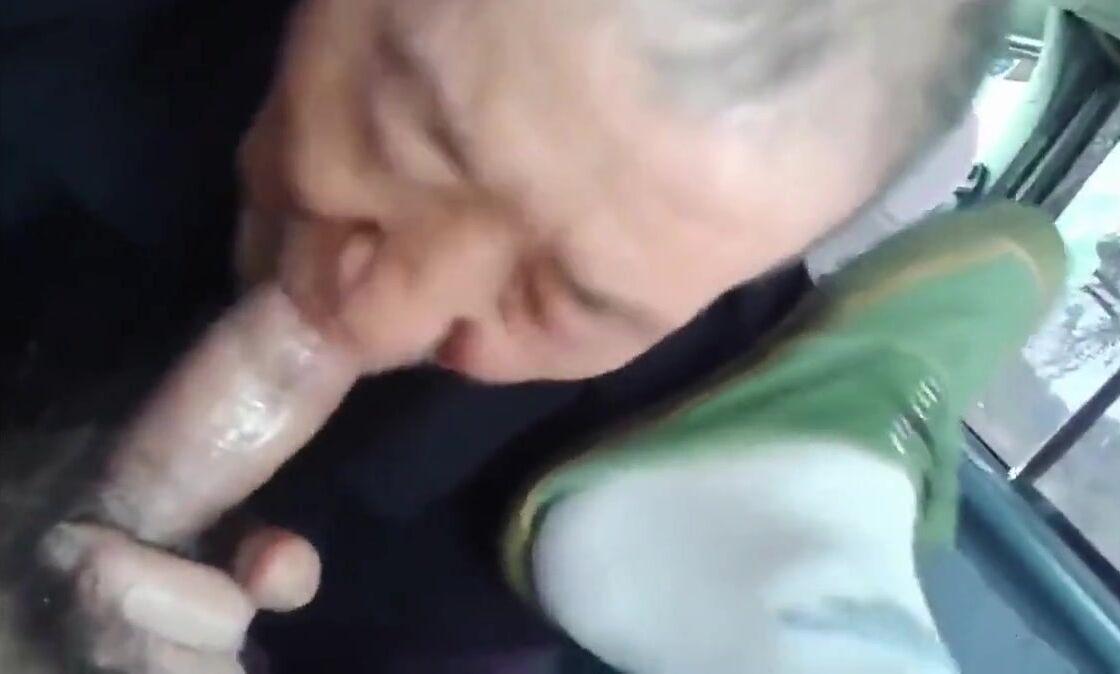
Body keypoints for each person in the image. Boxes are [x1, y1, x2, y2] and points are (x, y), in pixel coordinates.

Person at [0, 0, 1040, 672]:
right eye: (407, 136)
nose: (383, 314)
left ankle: (836, 447)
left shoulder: (573, 455)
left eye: (562, 298)